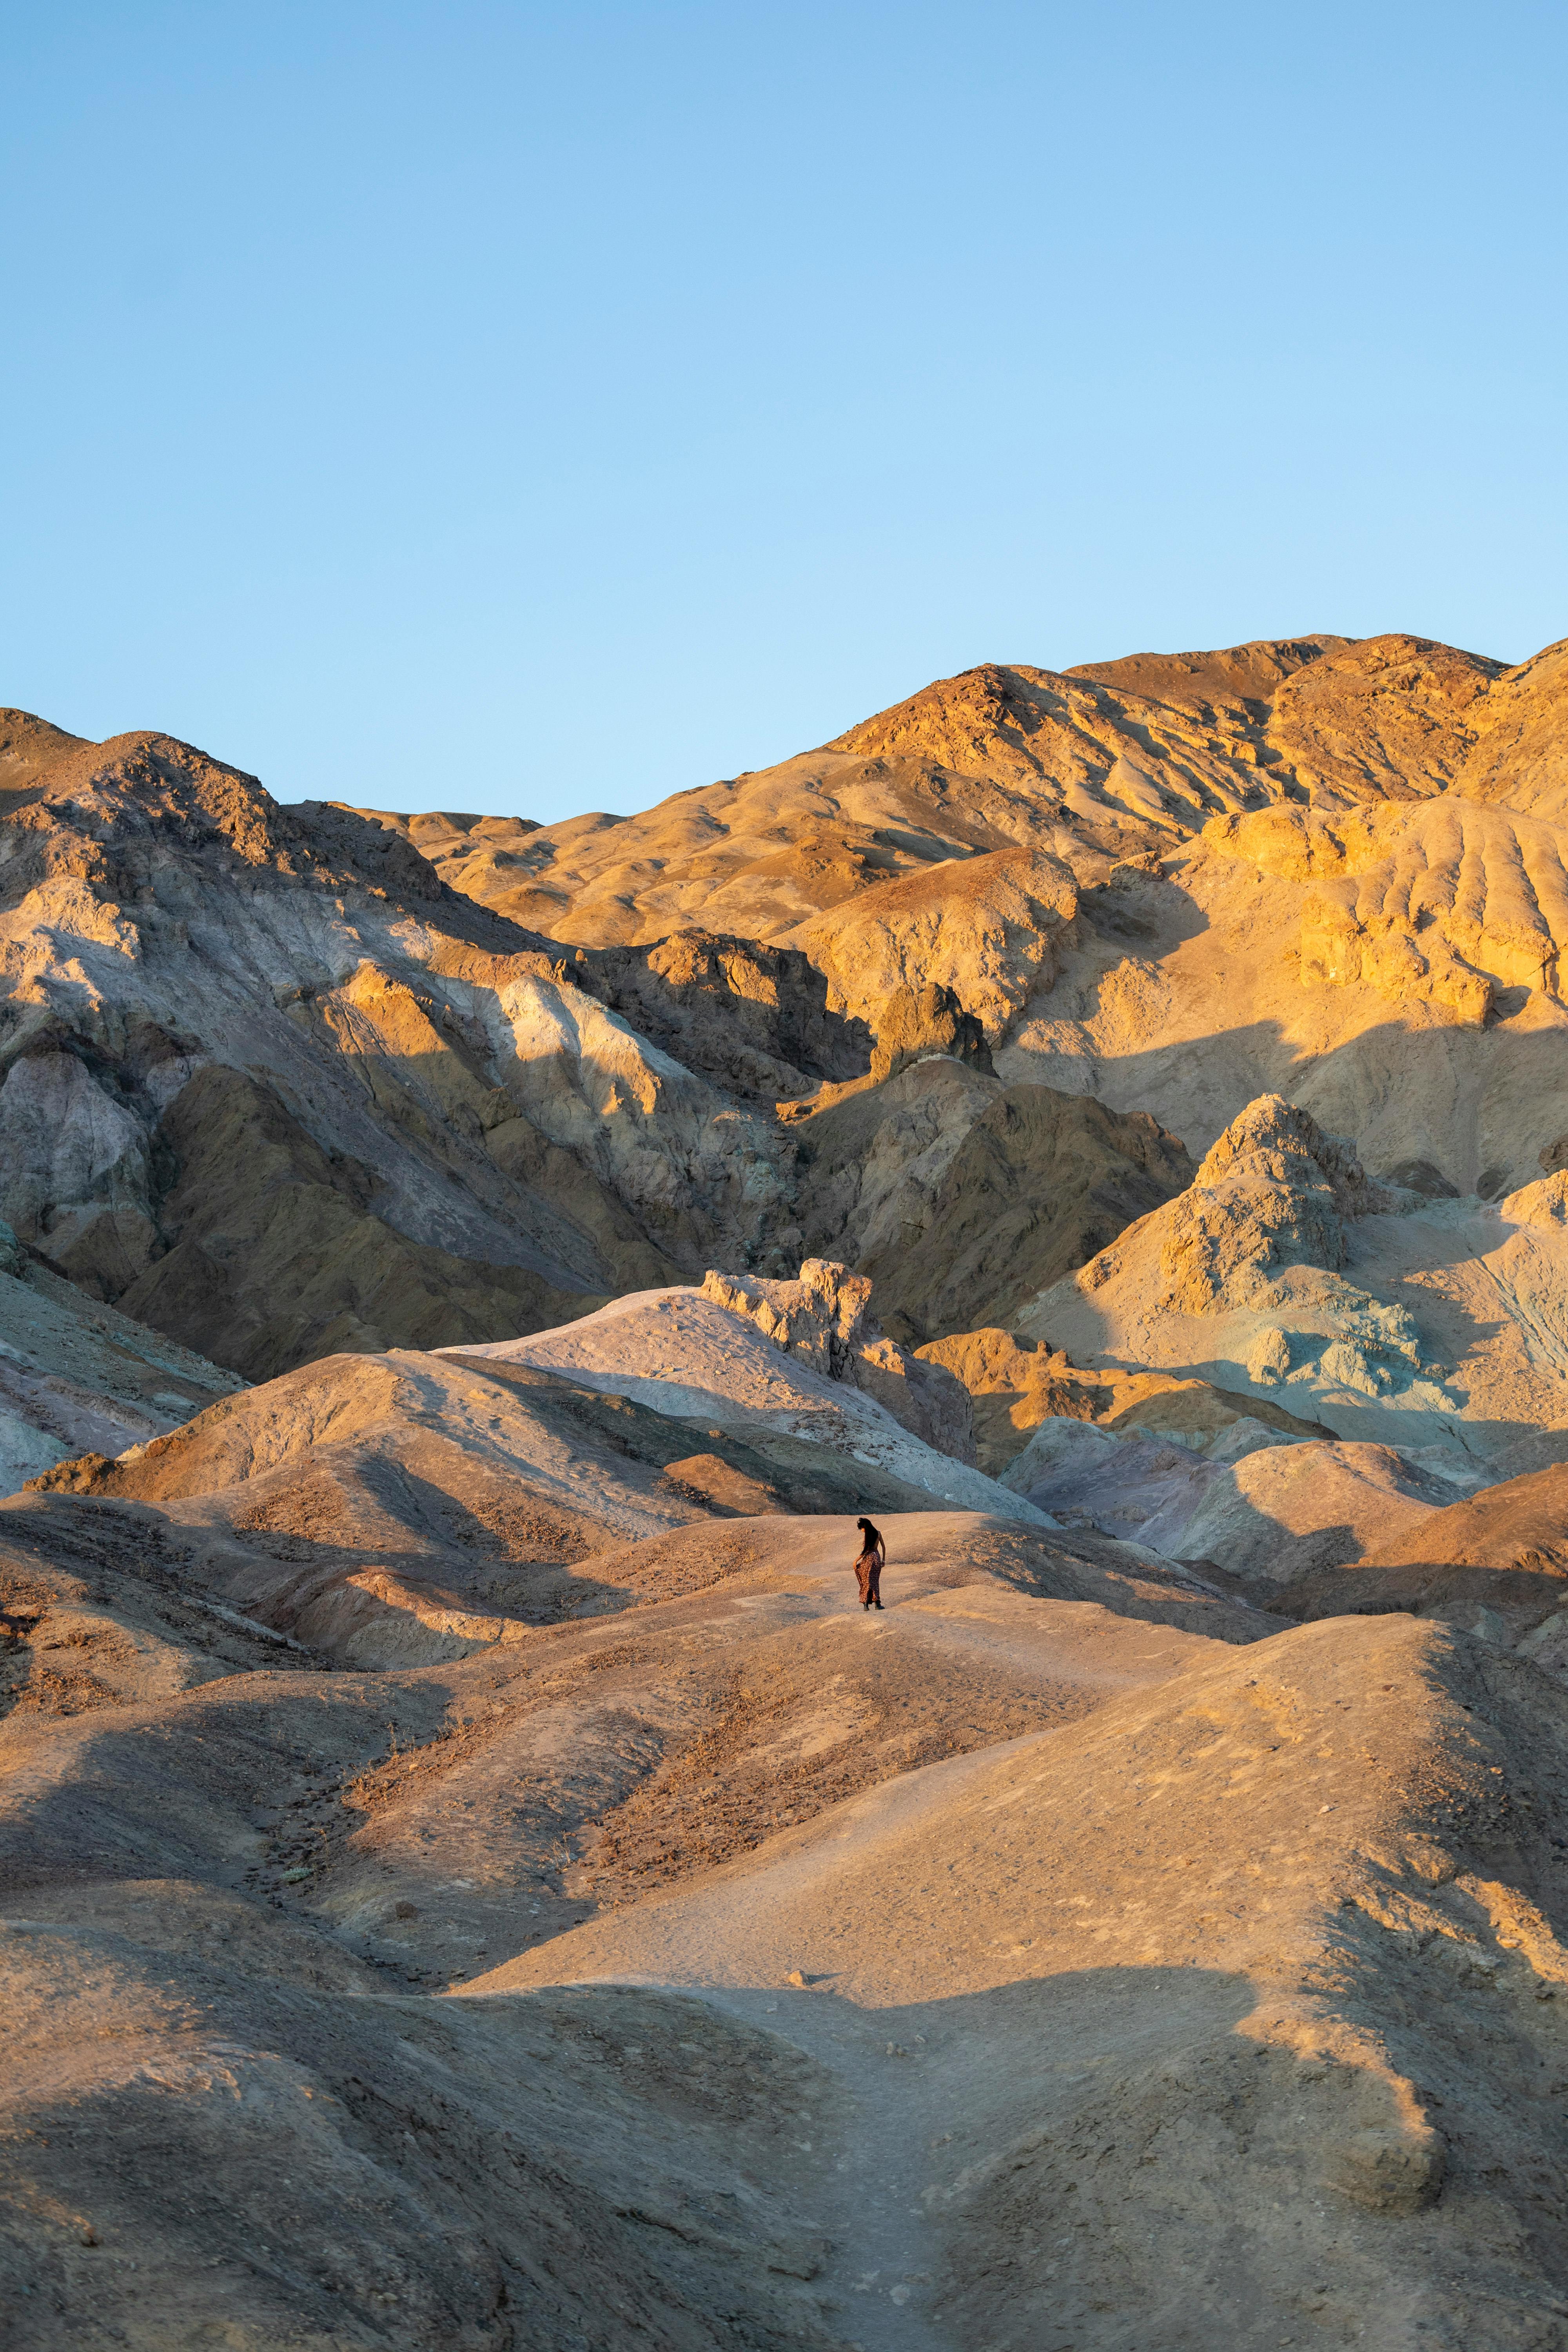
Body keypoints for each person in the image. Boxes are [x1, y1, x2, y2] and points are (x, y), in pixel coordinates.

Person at [853, 1516, 886, 1610]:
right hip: (876, 1558)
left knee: (866, 1582)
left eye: (862, 1528)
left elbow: (865, 1551)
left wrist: (856, 1561)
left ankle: (866, 1604)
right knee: (875, 1581)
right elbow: (884, 1547)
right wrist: (883, 1560)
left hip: (868, 1560)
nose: (862, 1530)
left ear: (865, 1527)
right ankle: (877, 1604)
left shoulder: (867, 1536)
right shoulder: (878, 1533)